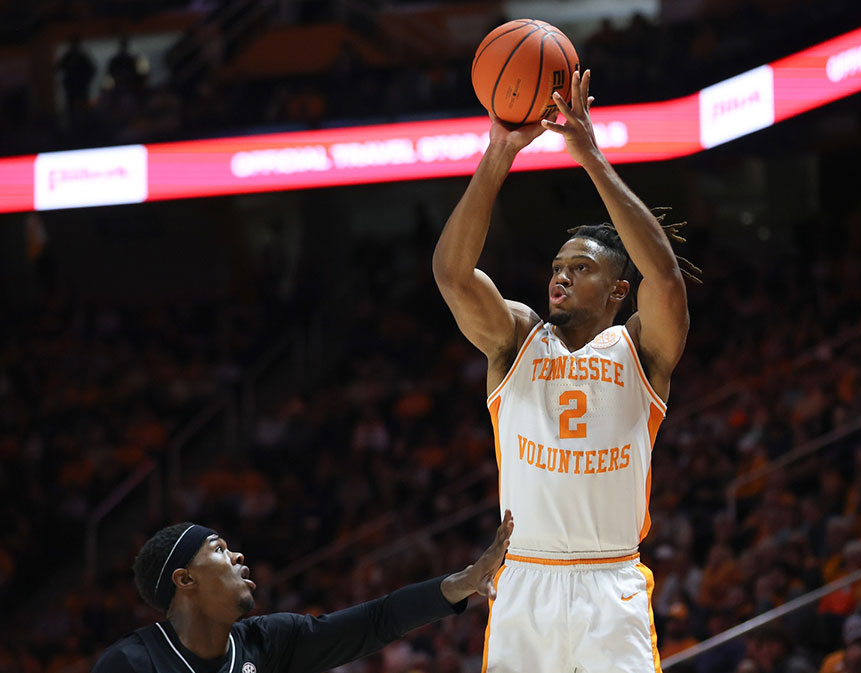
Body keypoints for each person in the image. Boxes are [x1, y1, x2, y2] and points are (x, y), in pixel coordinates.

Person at [433, 68, 696, 672]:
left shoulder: (642, 351)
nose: (561, 275)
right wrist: (500, 151)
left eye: (581, 268)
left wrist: (589, 155)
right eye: (557, 265)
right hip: (527, 576)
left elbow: (666, 278)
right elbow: (452, 274)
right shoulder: (517, 339)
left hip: (612, 581)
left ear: (618, 292)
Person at [92, 511, 514, 672]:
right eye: (219, 549)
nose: (238, 556)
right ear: (184, 580)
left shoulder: (267, 642)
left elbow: (377, 621)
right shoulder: (130, 665)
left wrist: (465, 581)